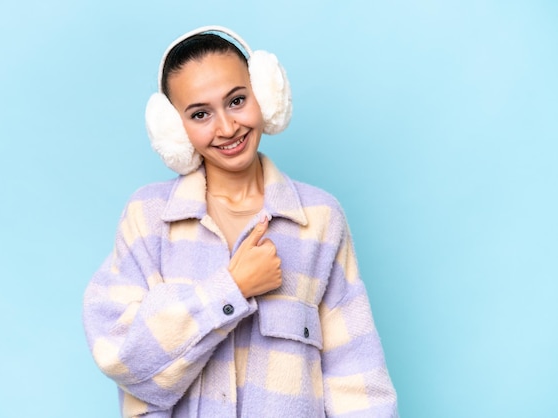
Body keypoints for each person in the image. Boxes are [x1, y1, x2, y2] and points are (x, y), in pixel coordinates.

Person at [83, 26, 398, 417]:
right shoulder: (148, 219)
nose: (227, 128)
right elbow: (123, 355)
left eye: (236, 101)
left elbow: (357, 378)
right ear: (175, 129)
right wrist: (231, 289)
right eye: (200, 114)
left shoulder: (319, 219)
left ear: (265, 95)